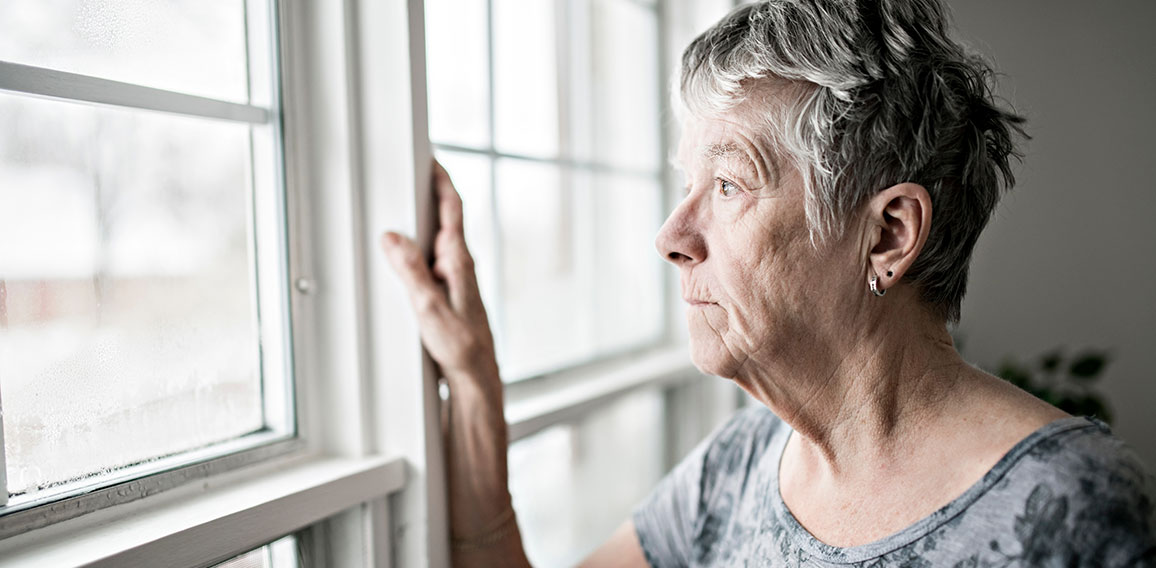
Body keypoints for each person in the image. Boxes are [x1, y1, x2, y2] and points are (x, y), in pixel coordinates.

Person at [382, 0, 1156, 566]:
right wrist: (477, 388)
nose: (671, 238)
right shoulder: (745, 462)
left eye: (727, 185)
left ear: (887, 235)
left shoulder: (1070, 508)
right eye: (687, 185)